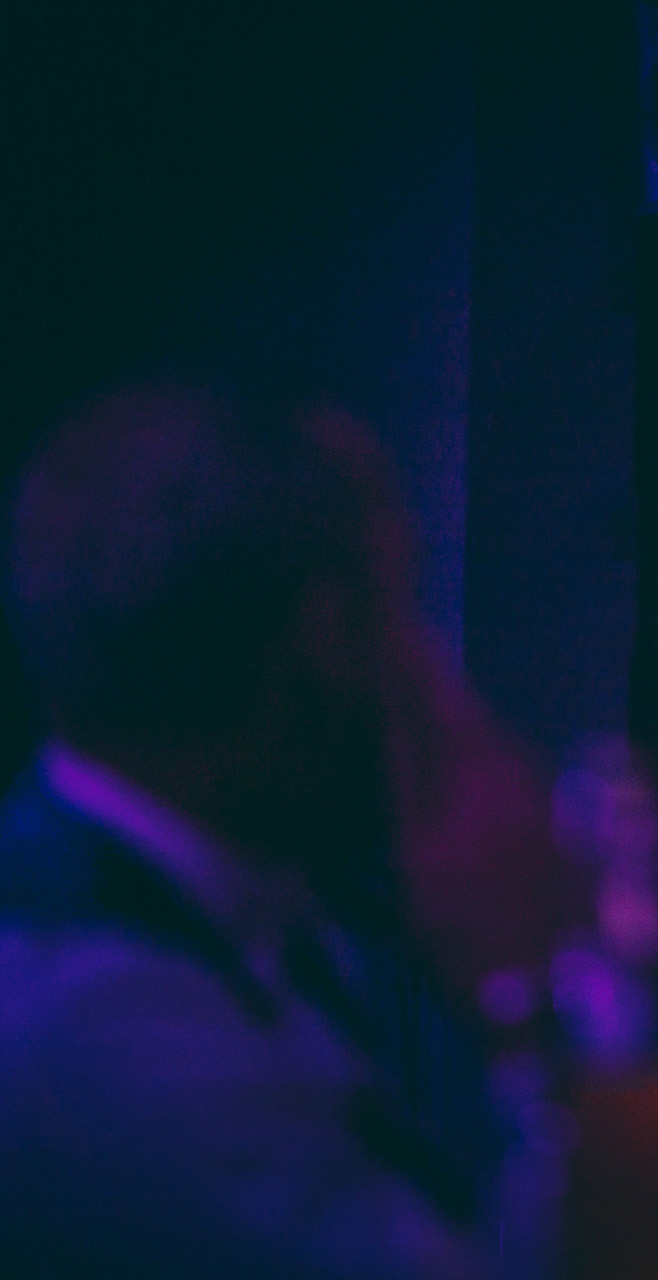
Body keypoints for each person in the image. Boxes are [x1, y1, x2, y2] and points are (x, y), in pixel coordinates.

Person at [0, 386, 555, 1278]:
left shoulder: (259, 915)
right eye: (390, 619)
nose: (420, 672)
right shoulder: (101, 1017)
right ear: (320, 640)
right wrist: (523, 992)